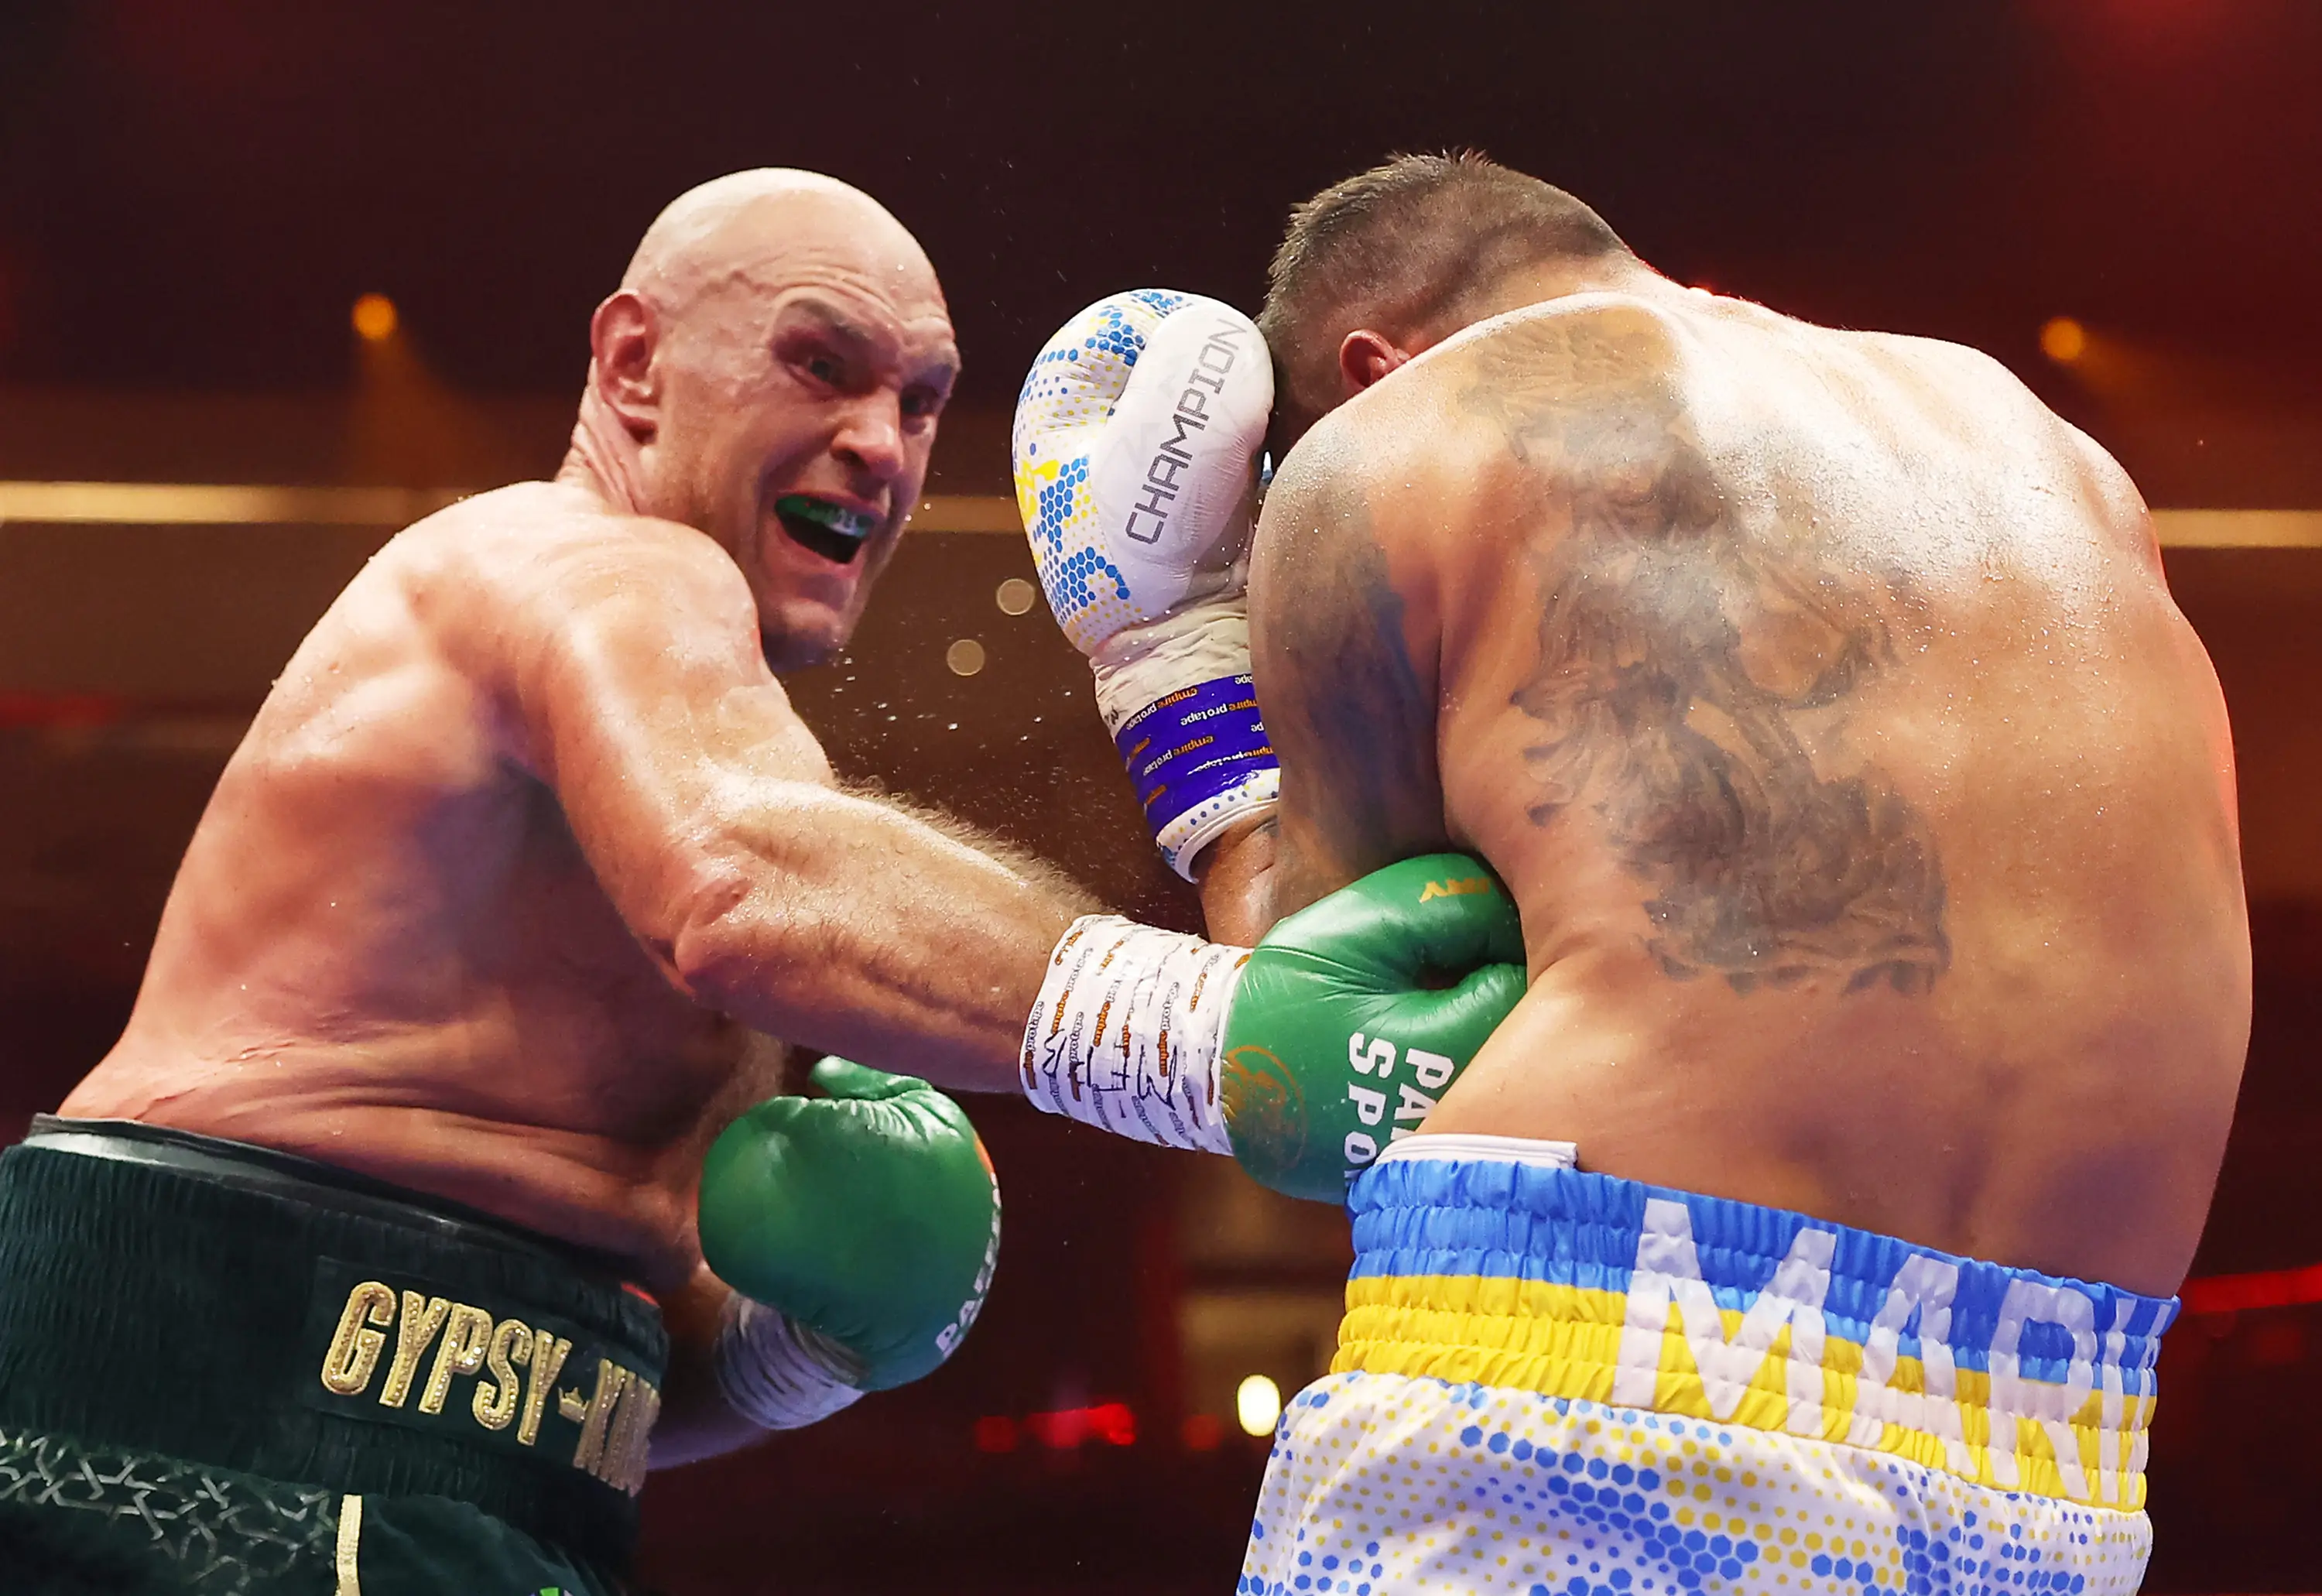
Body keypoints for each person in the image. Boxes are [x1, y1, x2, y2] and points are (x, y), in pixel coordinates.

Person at [0, 168, 1518, 1594]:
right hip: (195, 1380)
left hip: (437, 1481)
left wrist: (796, 1345)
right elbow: (739, 880)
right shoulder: (565, 563)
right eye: (822, 365)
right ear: (635, 362)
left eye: (920, 401)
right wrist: (1200, 1024)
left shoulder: (706, 749)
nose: (886, 440)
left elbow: (576, 1371)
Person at [1009, 152, 2249, 1593]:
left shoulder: (1396, 437)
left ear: (1367, 365)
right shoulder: (2062, 460)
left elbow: (1325, 1036)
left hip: (1582, 1363)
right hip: (2061, 1447)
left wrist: (1178, 682)